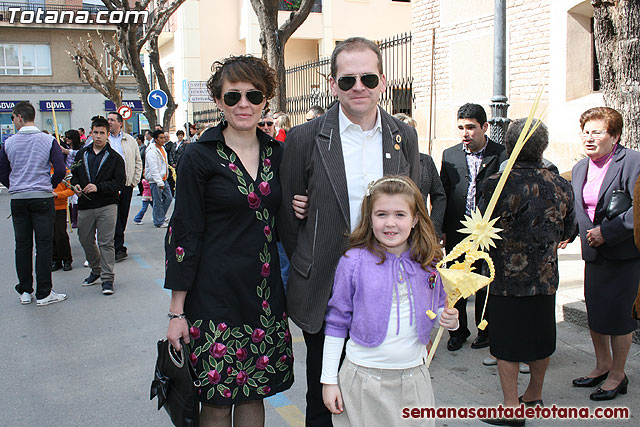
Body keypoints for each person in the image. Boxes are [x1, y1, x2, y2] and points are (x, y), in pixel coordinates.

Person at [279, 36, 419, 427]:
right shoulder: (305, 138)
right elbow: (289, 223)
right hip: (325, 285)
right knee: (326, 394)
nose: (359, 87)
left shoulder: (402, 137)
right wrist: (314, 250)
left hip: (389, 285)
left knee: (382, 392)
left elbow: (414, 208)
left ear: (383, 82)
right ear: (332, 84)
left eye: (368, 78)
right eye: (347, 80)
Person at [164, 55, 294, 427]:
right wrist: (177, 312)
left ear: (266, 100)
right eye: (233, 96)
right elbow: (183, 233)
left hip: (265, 297)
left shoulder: (279, 154)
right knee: (218, 400)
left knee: (254, 392)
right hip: (213, 298)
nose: (244, 105)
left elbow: (288, 217)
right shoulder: (198, 156)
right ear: (218, 102)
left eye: (254, 96)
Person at [321, 176, 458, 427]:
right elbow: (337, 322)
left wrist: (449, 319)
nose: (390, 223)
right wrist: (329, 380)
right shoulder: (353, 261)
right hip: (363, 379)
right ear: (369, 218)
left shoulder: (428, 263)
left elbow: (437, 310)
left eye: (400, 215)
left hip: (414, 378)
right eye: (381, 214)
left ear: (415, 218)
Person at [476, 119, 576, 426]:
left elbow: (480, 224)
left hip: (506, 278)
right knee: (541, 338)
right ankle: (533, 395)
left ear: (509, 145)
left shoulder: (496, 182)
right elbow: (569, 229)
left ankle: (511, 406)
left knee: (506, 344)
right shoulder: (560, 184)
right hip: (545, 276)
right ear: (542, 147)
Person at [570, 107, 640, 401]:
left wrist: (607, 232)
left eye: (596, 132)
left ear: (615, 136)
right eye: (585, 132)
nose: (589, 138)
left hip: (623, 255)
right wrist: (565, 234)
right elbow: (577, 210)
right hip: (594, 255)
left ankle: (617, 374)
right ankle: (602, 365)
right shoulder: (578, 168)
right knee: (596, 313)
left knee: (620, 316)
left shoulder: (633, 161)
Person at [440, 103, 507, 352]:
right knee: (456, 281)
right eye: (461, 128)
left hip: (488, 230)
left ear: (484, 127)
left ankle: (485, 330)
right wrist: (441, 229)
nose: (465, 133)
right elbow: (443, 193)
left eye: (470, 127)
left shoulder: (501, 154)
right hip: (458, 229)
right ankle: (458, 332)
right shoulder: (450, 155)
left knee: (484, 280)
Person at [0, 101, 67, 306]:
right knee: (44, 244)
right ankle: (44, 292)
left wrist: (14, 185)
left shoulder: (9, 143)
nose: (13, 122)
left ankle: (25, 290)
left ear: (20, 117)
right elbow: (60, 169)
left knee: (22, 245)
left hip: (19, 199)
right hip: (42, 196)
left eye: (13, 118)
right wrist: (48, 183)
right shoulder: (48, 140)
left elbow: (2, 171)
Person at [71, 117, 125, 295]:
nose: (99, 136)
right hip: (85, 204)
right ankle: (96, 269)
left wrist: (99, 187)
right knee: (85, 239)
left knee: (106, 242)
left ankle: (108, 278)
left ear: (108, 135)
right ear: (91, 133)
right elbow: (74, 174)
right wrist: (76, 186)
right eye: (96, 132)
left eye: (102, 133)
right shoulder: (82, 154)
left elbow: (119, 182)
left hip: (107, 204)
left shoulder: (115, 158)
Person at [393, 113, 446, 236]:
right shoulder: (385, 161)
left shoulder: (426, 161)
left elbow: (439, 196)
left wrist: (434, 226)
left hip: (421, 230)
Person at [107, 112, 142, 261]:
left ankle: (118, 245)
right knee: (112, 217)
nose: (109, 122)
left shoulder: (130, 140)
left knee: (122, 215)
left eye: (112, 120)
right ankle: (116, 246)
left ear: (120, 123)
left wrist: (134, 181)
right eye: (108, 119)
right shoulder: (104, 139)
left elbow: (137, 161)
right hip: (109, 185)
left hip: (126, 184)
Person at [145, 129, 172, 228]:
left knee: (168, 198)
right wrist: (159, 182)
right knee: (157, 201)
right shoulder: (152, 151)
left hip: (164, 178)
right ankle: (158, 221)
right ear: (155, 139)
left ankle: (159, 216)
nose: (163, 140)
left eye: (164, 137)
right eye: (160, 138)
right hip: (155, 180)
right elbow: (153, 169)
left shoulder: (163, 149)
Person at [51, 168, 75, 272]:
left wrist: (58, 195)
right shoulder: (40, 168)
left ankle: (67, 260)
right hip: (44, 206)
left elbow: (71, 189)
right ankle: (55, 260)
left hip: (59, 207)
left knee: (60, 234)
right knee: (50, 234)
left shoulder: (65, 171)